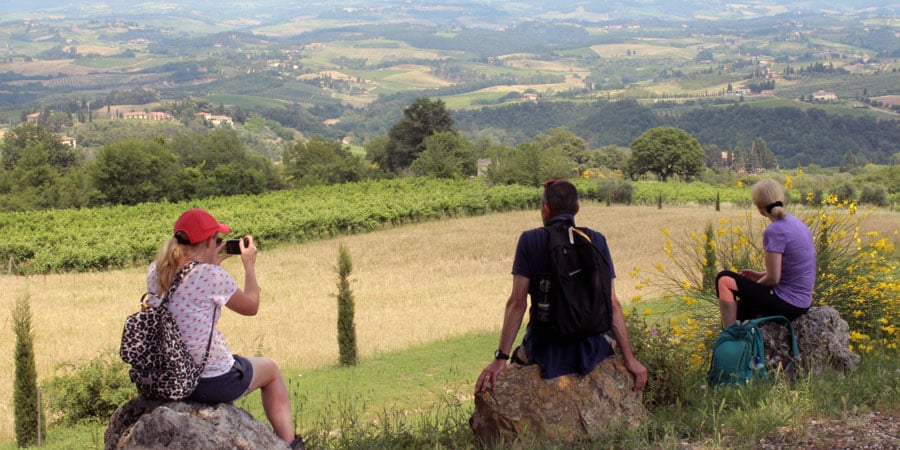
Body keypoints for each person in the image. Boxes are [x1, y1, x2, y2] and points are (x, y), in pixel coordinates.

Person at [147, 208, 304, 449]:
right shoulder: (211, 275)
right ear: (209, 242)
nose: (219, 244)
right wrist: (249, 265)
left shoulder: (156, 270)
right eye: (217, 240)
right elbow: (251, 306)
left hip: (170, 377)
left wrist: (208, 262)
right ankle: (291, 444)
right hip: (210, 381)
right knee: (271, 370)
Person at [475, 179, 647, 392]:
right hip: (593, 349)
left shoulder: (531, 240)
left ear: (545, 209)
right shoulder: (596, 240)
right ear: (577, 208)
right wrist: (630, 359)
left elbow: (517, 303)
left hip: (546, 349)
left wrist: (501, 358)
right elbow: (612, 304)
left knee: (518, 365)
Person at [715, 178, 816, 329]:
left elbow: (774, 278)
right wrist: (758, 275)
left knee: (723, 279)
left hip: (788, 304)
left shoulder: (774, 231)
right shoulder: (798, 224)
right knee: (741, 309)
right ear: (782, 199)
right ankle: (737, 337)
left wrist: (753, 287)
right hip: (802, 303)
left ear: (759, 207)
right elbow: (791, 267)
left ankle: (728, 336)